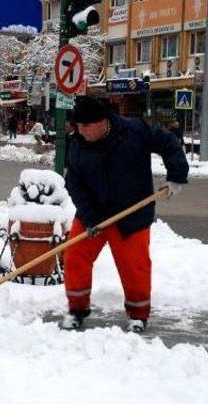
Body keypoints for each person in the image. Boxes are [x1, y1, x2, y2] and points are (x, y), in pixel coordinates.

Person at [62, 97, 189, 333]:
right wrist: (90, 219)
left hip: (132, 213)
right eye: (78, 126)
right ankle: (77, 309)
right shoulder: (78, 144)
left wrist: (177, 174)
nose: (81, 131)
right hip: (95, 213)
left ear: (102, 122)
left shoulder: (134, 131)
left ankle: (138, 314)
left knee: (134, 265)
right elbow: (74, 184)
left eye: (86, 126)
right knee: (74, 255)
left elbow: (168, 142)